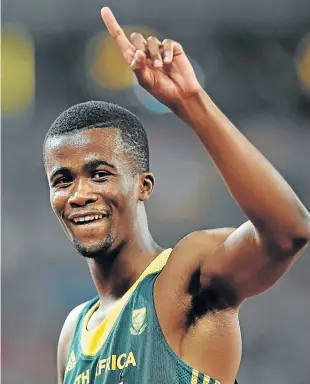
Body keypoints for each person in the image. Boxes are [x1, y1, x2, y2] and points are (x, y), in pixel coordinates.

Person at [44, 7, 310, 384]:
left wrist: (191, 102)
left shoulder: (186, 276)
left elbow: (290, 231)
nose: (80, 194)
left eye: (100, 174)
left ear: (143, 185)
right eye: (63, 180)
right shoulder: (72, 332)